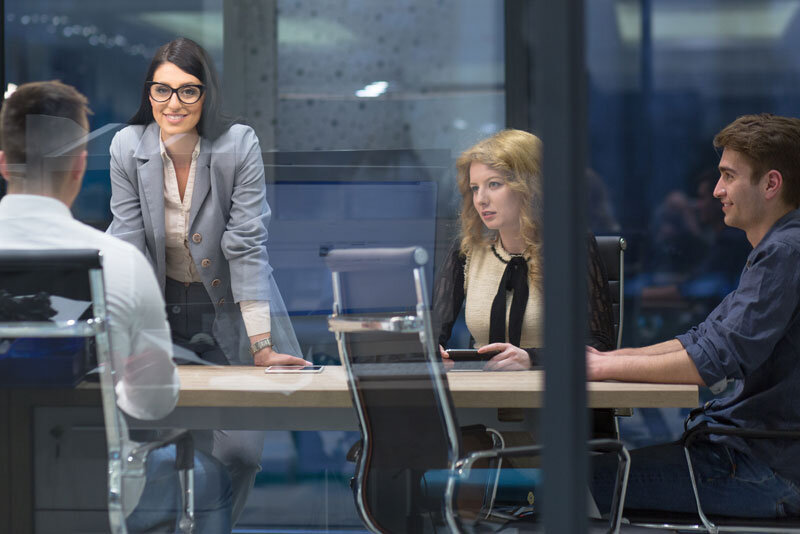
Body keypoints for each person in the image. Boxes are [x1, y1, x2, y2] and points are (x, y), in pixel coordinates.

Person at [0, 80, 231, 532]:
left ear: (4, 164)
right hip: (89, 497)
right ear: (79, 166)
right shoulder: (119, 264)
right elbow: (152, 404)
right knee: (212, 479)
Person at [106, 37, 307, 524]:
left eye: (188, 91)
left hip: (232, 309)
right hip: (158, 307)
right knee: (162, 455)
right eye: (162, 90)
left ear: (206, 94)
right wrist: (128, 339)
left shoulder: (238, 144)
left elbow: (246, 247)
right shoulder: (127, 146)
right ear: (148, 93)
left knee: (241, 454)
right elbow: (128, 247)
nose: (173, 104)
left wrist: (261, 343)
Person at [588, 113, 800, 518]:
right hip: (747, 455)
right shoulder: (779, 247)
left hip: (762, 469)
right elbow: (703, 337)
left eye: (728, 176)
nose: (718, 190)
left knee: (567, 481)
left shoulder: (786, 252)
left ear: (771, 184)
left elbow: (713, 360)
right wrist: (605, 362)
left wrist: (598, 370)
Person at [434, 128, 616, 370]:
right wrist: (432, 351)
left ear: (530, 188)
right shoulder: (467, 250)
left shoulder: (571, 247)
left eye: (494, 184)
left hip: (555, 398)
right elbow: (432, 331)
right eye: (475, 188)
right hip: (484, 395)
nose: (481, 199)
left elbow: (600, 344)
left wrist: (531, 358)